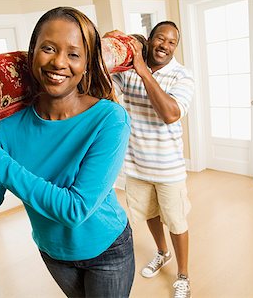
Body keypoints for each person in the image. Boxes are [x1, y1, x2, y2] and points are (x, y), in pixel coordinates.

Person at [0, 7, 134, 298]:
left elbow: (75, 209)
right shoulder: (9, 126)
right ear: (33, 53)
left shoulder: (109, 119)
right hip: (53, 252)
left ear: (86, 64)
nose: (58, 62)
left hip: (107, 249)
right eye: (49, 49)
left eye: (74, 54)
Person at [105, 21, 194, 298]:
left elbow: (170, 114)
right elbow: (104, 77)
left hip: (168, 169)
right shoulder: (130, 69)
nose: (164, 46)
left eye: (171, 42)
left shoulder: (182, 76)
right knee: (150, 215)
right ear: (149, 40)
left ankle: (183, 276)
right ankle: (162, 253)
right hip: (136, 165)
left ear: (175, 47)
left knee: (177, 223)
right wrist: (112, 40)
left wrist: (144, 72)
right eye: (160, 39)